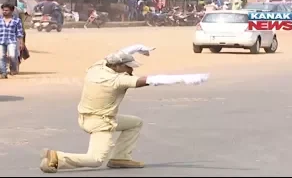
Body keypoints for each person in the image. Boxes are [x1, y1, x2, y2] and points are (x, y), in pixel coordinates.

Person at [39, 44, 209, 173]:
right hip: (101, 123)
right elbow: (153, 80)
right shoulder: (116, 81)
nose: (130, 70)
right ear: (118, 67)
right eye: (128, 67)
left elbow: (116, 54)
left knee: (135, 123)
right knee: (96, 159)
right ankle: (57, 158)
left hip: (87, 117)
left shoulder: (97, 68)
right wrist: (187, 78)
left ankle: (120, 157)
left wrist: (136, 47)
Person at [0, 3, 24, 79]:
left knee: (12, 55)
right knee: (1, 57)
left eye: (6, 10)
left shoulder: (17, 20)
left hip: (12, 41)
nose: (4, 12)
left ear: (12, 10)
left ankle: (13, 68)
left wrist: (21, 42)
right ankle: (4, 72)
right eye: (3, 10)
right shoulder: (0, 20)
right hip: (1, 41)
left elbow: (19, 32)